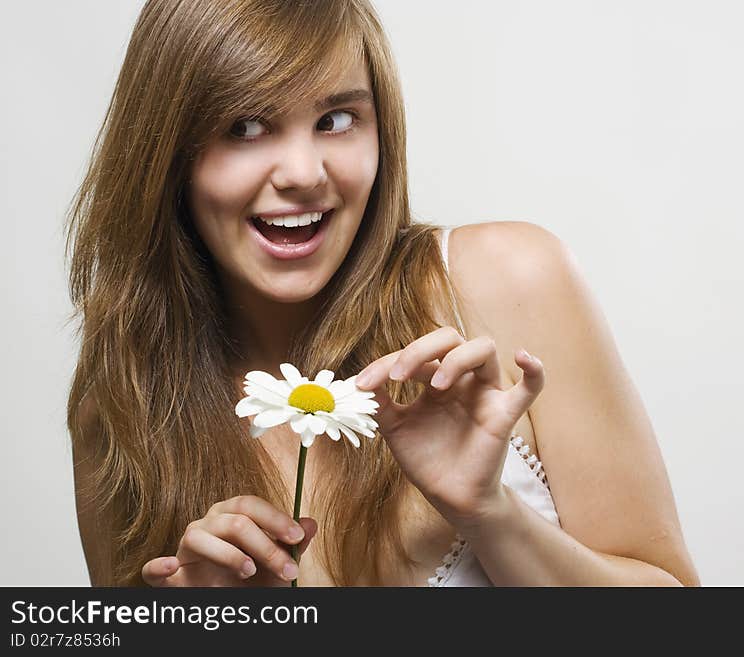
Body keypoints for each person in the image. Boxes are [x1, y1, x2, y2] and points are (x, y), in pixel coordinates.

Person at [66, 0, 700, 587]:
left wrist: (491, 514)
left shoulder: (506, 281)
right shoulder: (124, 408)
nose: (304, 174)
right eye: (245, 126)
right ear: (164, 150)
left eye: (336, 120)